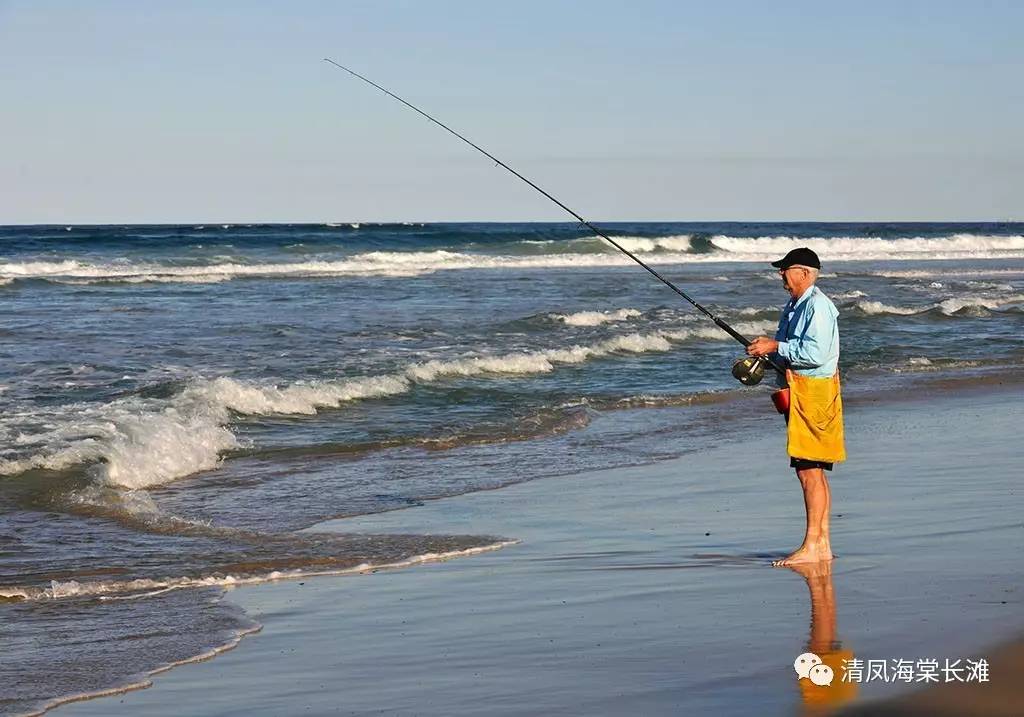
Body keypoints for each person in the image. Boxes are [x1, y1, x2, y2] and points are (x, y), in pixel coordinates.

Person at [746, 247, 845, 566]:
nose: (780, 275)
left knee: (809, 471)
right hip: (800, 390)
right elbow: (790, 351)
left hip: (814, 392)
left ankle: (814, 545)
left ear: (803, 273)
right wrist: (767, 353)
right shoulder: (793, 306)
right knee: (812, 470)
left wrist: (775, 345)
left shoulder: (818, 306)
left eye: (785, 269)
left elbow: (815, 354)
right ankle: (821, 543)